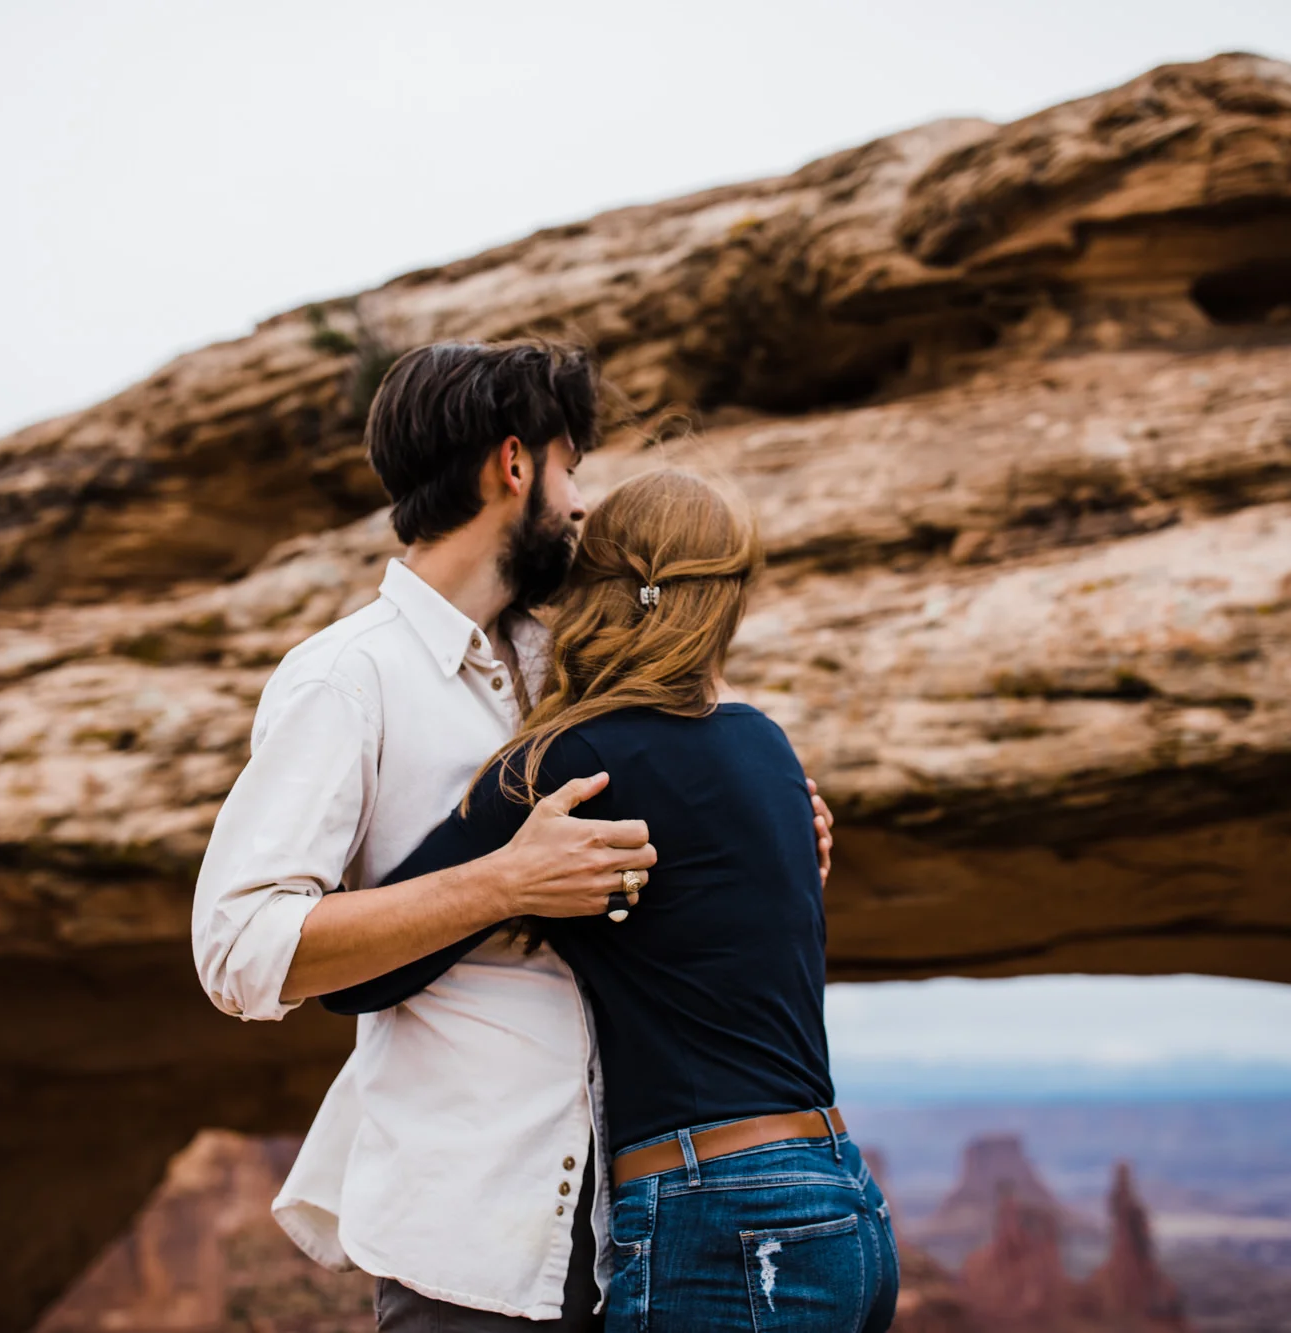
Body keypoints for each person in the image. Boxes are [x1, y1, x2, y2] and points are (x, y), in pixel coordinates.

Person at [191, 341, 836, 1331]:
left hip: (659, 1228)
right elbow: (238, 953)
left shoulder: (579, 659)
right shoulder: (347, 678)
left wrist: (774, 833)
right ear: (514, 465)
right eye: (569, 465)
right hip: (473, 1245)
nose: (580, 503)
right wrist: (501, 881)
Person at [326, 469, 899, 1332]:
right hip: (840, 1200)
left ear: (593, 589)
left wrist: (498, 876)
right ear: (726, 601)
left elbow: (358, 978)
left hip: (721, 1222)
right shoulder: (767, 747)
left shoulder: (571, 766)